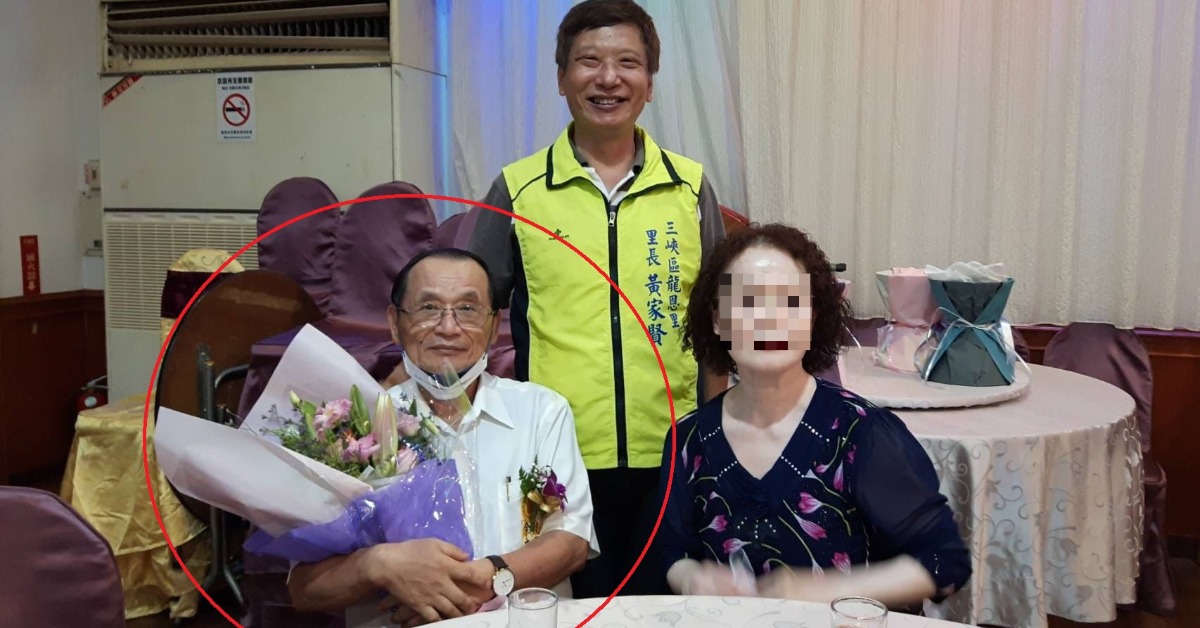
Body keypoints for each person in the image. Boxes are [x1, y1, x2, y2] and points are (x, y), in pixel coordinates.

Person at [465, 0, 726, 598]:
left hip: (674, 447)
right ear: (561, 78)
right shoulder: (518, 189)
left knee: (667, 603)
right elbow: (471, 310)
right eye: (589, 62)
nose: (608, 79)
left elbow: (719, 323)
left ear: (650, 83)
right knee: (564, 602)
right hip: (552, 453)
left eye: (627, 63)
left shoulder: (689, 186)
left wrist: (713, 435)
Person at [657, 224, 971, 608]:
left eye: (789, 302)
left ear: (812, 318)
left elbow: (944, 561)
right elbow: (672, 551)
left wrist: (823, 590)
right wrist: (692, 577)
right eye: (747, 302)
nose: (768, 319)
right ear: (718, 321)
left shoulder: (860, 433)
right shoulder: (688, 439)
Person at [288, 248, 598, 627]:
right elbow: (304, 589)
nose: (448, 327)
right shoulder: (352, 428)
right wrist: (377, 565)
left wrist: (480, 583)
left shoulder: (541, 411)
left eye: (467, 309)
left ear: (493, 325)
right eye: (429, 308)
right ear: (395, 323)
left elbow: (570, 543)